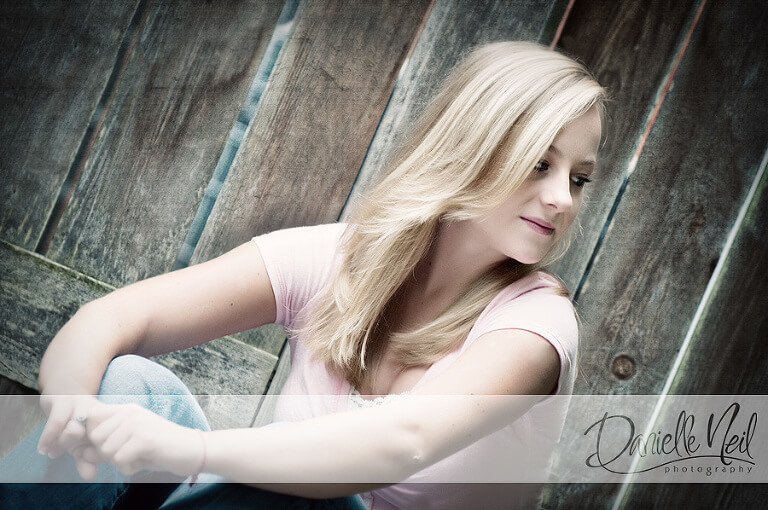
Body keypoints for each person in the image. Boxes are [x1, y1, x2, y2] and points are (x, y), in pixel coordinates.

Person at [0, 40, 605, 509]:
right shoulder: (339, 260)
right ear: (470, 145)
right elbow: (112, 319)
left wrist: (190, 450)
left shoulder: (537, 326)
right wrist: (72, 411)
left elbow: (401, 444)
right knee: (133, 383)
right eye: (539, 163)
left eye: (579, 178)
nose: (562, 199)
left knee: (290, 487)